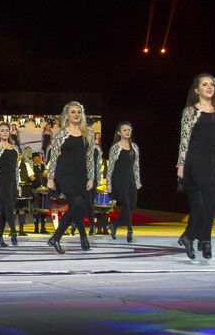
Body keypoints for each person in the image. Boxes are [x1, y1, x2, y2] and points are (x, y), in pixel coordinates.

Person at [176, 73, 215, 259]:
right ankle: (204, 240)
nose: (209, 87)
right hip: (195, 160)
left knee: (212, 202)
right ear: (197, 90)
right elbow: (184, 139)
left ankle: (190, 236)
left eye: (212, 85)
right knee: (205, 200)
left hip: (214, 161)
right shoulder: (190, 111)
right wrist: (181, 165)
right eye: (205, 84)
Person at [45, 101, 94, 254]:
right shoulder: (61, 133)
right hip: (64, 173)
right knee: (78, 204)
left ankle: (81, 236)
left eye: (79, 111)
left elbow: (90, 158)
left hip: (81, 174)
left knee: (77, 206)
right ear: (67, 115)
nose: (76, 114)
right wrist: (50, 177)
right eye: (73, 112)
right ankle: (56, 237)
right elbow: (53, 157)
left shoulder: (88, 133)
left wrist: (91, 177)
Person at [106, 122, 141, 243]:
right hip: (118, 179)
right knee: (126, 205)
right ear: (119, 133)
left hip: (130, 179)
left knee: (132, 205)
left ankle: (114, 225)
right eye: (125, 130)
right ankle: (130, 230)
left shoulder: (135, 147)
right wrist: (108, 184)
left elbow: (136, 166)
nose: (127, 132)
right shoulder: (116, 147)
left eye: (129, 129)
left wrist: (137, 181)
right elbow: (110, 167)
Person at [0, 122, 19, 247]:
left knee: (6, 210)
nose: (5, 132)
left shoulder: (15, 148)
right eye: (2, 130)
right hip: (0, 181)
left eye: (7, 130)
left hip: (11, 182)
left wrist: (17, 183)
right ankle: (13, 232)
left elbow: (16, 168)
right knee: (9, 207)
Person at [31, 152, 49, 234]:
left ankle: (43, 228)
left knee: (43, 210)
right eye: (36, 158)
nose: (38, 159)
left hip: (44, 190)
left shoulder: (43, 166)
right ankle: (36, 228)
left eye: (39, 157)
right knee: (36, 210)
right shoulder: (31, 167)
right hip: (35, 190)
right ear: (33, 159)